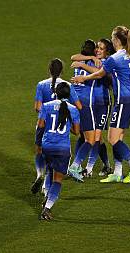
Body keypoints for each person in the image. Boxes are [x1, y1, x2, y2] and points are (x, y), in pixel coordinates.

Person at [72, 26, 130, 183]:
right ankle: (118, 172)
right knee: (119, 136)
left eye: (113, 39)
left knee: (112, 139)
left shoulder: (114, 58)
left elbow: (100, 74)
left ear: (117, 40)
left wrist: (83, 78)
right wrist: (126, 80)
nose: (112, 41)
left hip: (123, 101)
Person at [32, 59, 82, 193]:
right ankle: (46, 187)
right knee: (53, 162)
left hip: (43, 125)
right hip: (59, 127)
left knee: (40, 152)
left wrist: (47, 110)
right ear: (62, 71)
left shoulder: (41, 85)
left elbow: (37, 107)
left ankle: (39, 174)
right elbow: (78, 106)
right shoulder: (67, 86)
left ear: (49, 70)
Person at [70, 38, 115, 178]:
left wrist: (82, 66)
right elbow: (74, 57)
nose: (98, 50)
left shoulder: (108, 62)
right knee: (87, 136)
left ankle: (88, 169)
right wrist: (89, 58)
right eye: (97, 48)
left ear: (107, 51)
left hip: (102, 103)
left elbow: (100, 72)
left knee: (95, 137)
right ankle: (106, 165)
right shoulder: (93, 59)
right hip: (91, 104)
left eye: (101, 48)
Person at [37, 82, 80, 220]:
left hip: (47, 146)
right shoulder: (73, 109)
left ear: (56, 92)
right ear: (69, 95)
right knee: (58, 180)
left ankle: (46, 197)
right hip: (62, 148)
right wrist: (67, 126)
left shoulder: (46, 106)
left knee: (50, 170)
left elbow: (41, 125)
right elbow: (77, 132)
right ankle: (47, 207)